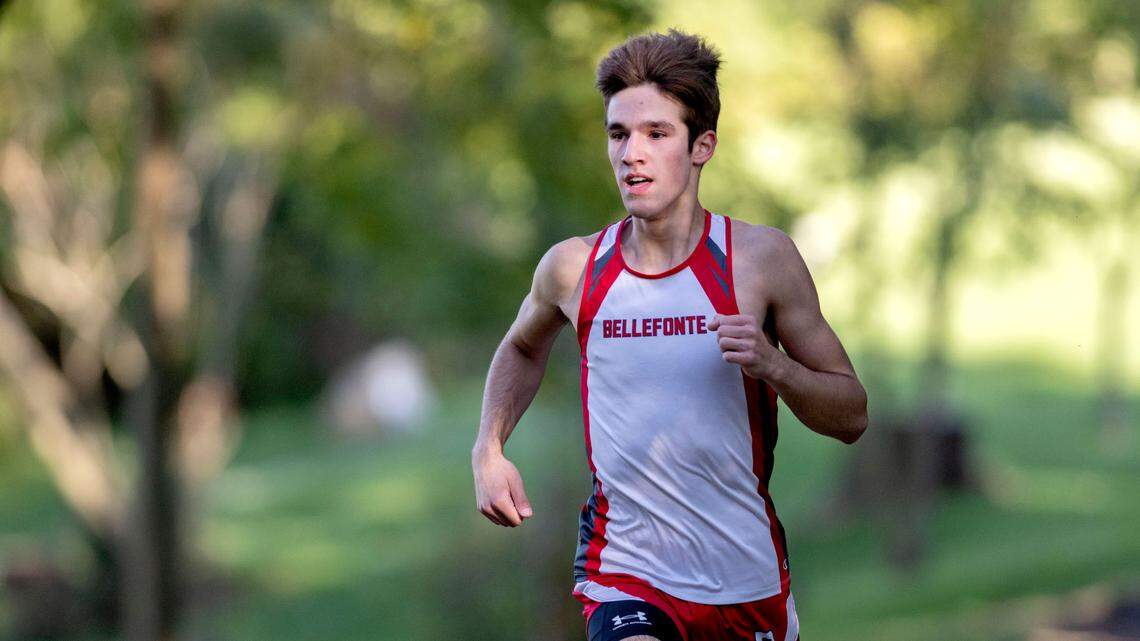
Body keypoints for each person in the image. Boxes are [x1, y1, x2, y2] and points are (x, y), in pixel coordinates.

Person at [472, 29, 868, 641]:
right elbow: (523, 346)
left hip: (746, 582)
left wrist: (773, 365)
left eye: (656, 134)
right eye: (619, 134)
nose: (632, 153)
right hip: (627, 573)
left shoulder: (759, 262)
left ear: (702, 145)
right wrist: (489, 448)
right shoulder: (574, 269)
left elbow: (851, 416)